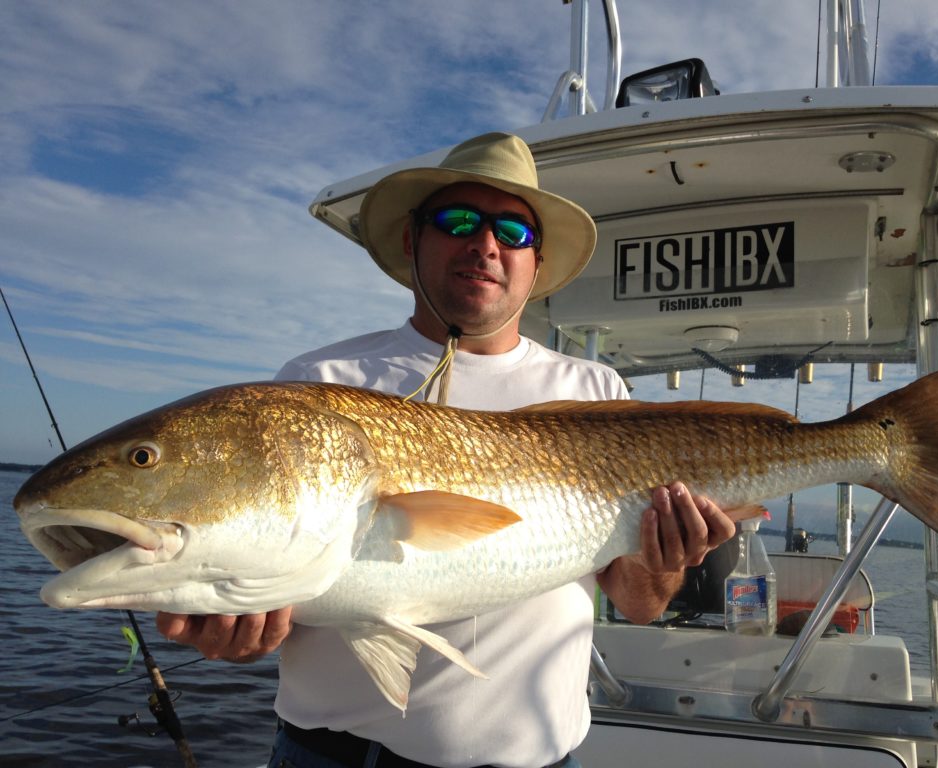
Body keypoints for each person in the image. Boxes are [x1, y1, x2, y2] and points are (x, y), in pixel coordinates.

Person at [157, 132, 735, 768]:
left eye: (513, 231)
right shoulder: (318, 384)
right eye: (458, 220)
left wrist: (666, 556)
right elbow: (287, 581)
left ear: (535, 263)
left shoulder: (595, 391)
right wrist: (238, 630)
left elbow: (639, 603)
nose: (485, 244)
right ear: (412, 241)